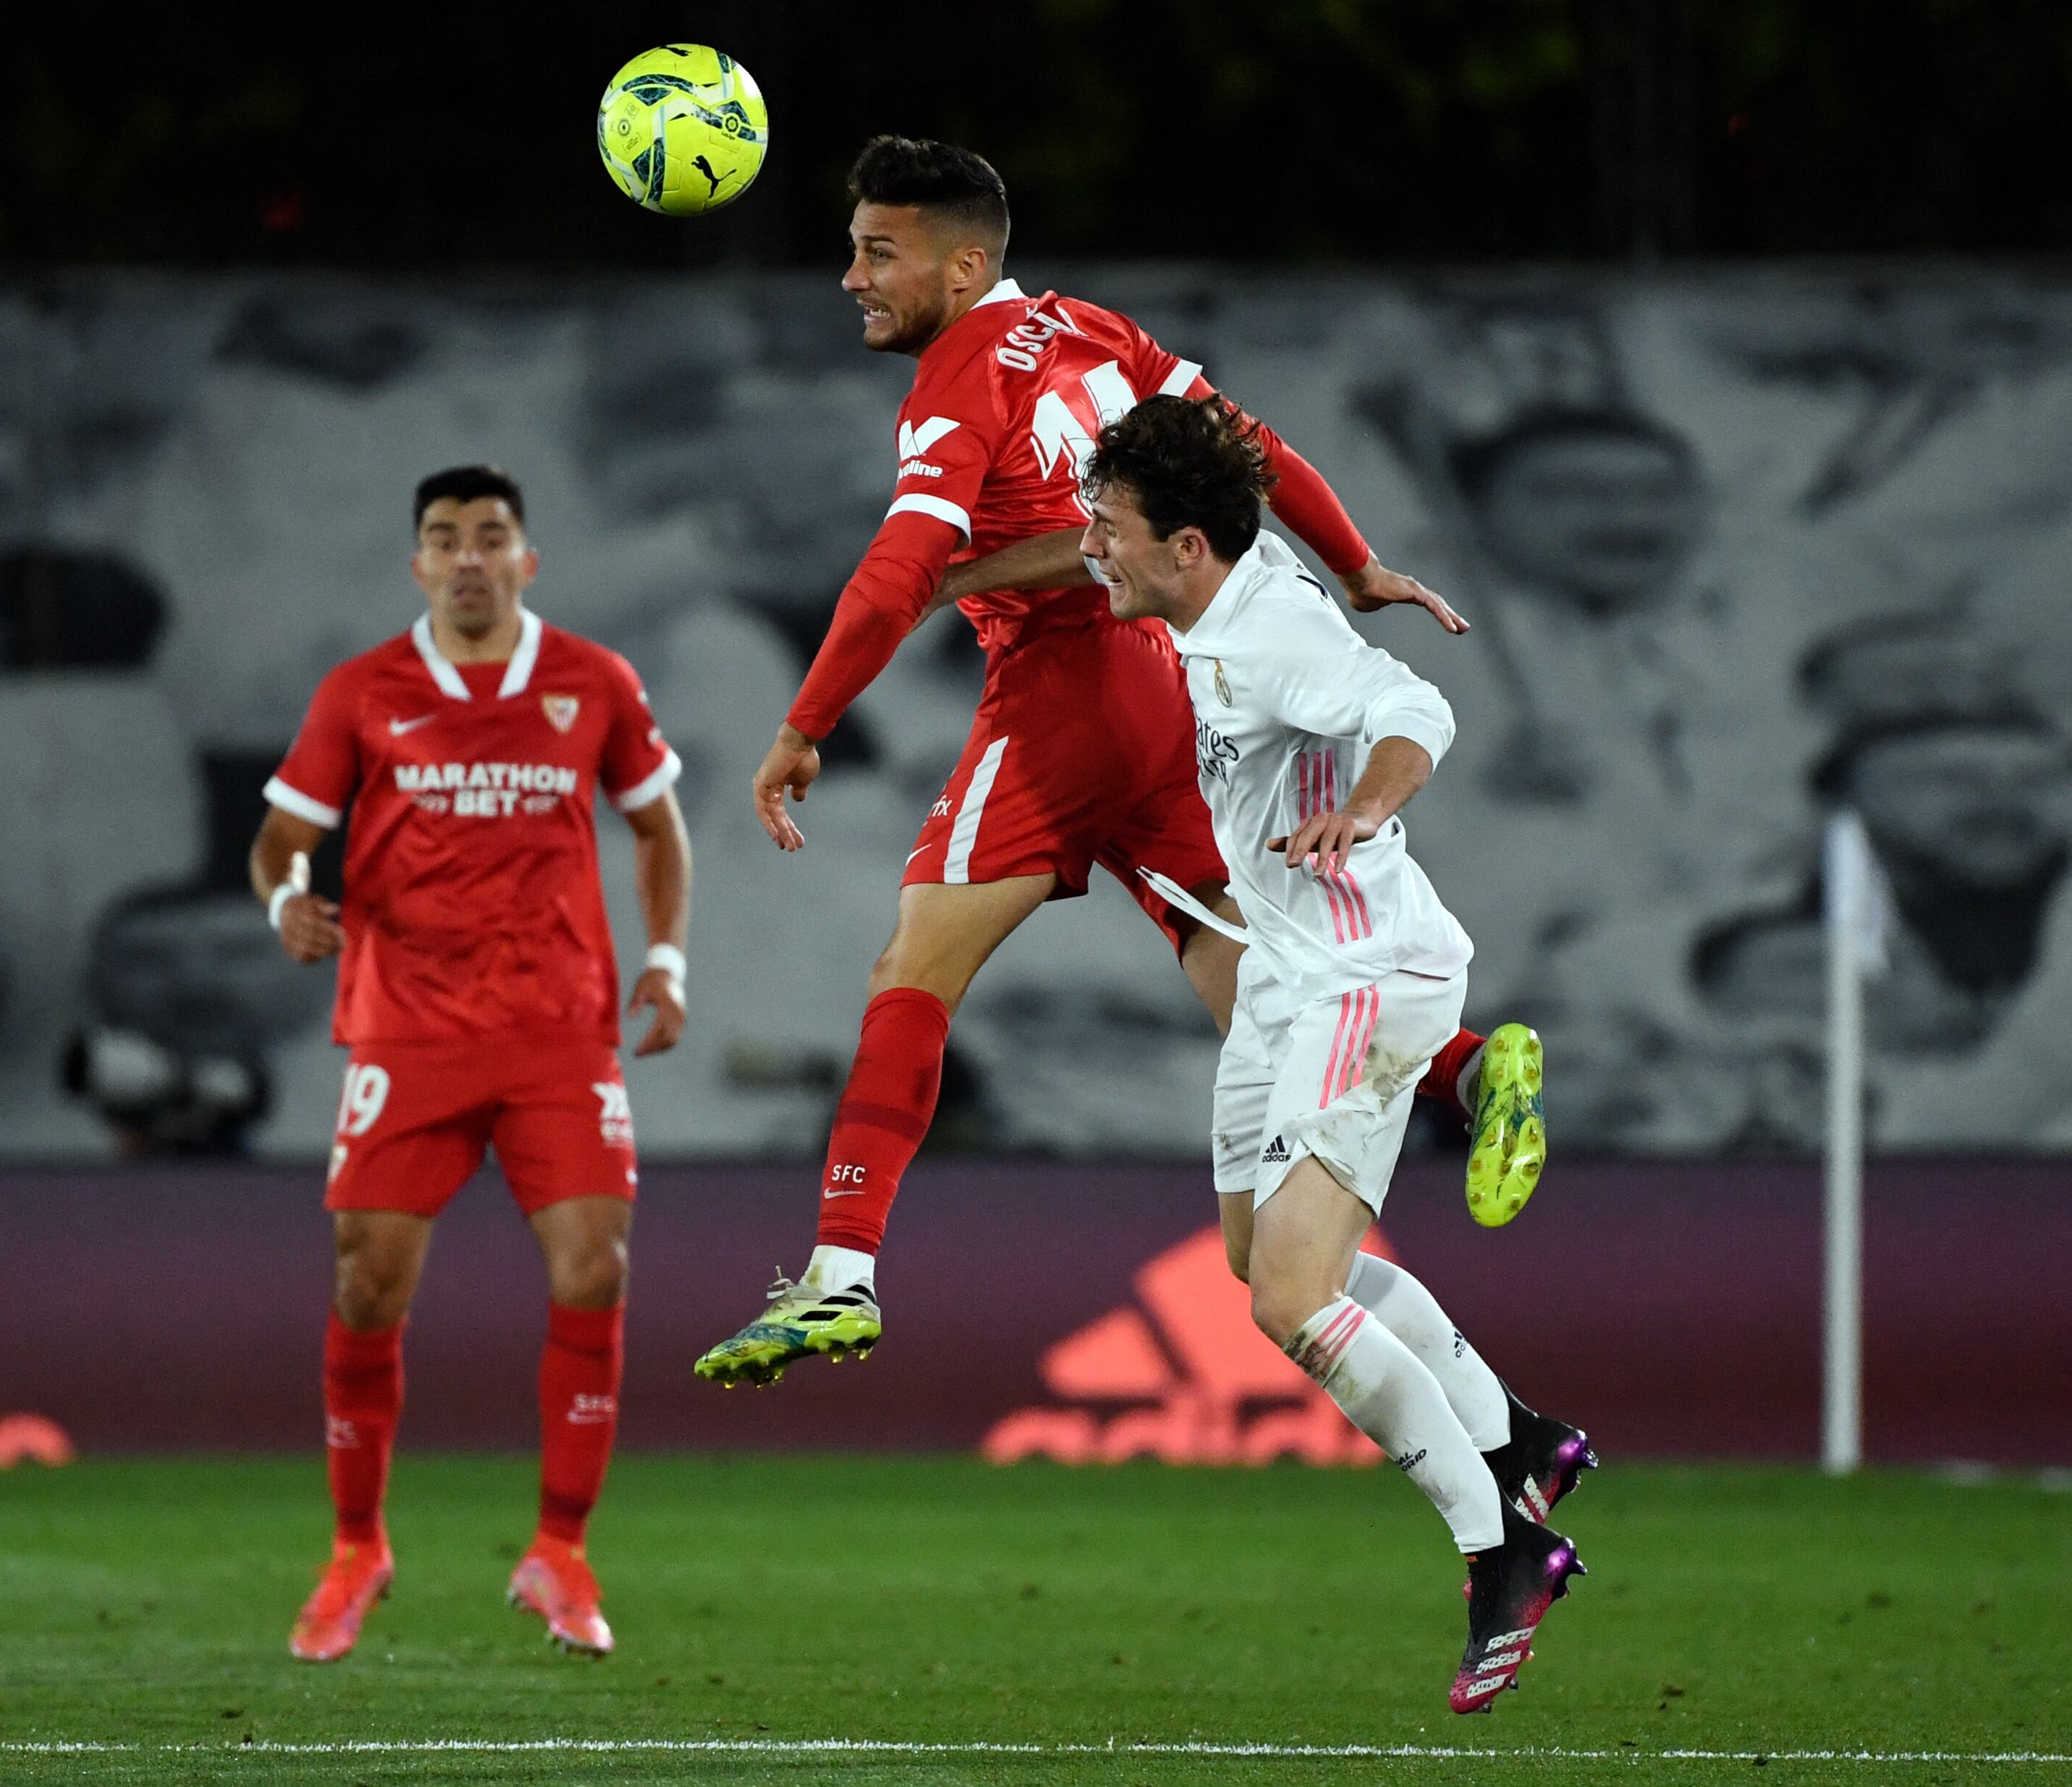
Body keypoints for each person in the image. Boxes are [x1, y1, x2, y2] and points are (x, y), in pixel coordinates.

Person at [696, 138, 1544, 1386]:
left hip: (1063, 695)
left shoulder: (953, 386)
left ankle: (839, 1276)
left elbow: (897, 571)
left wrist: (805, 724)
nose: (851, 278)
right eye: (852, 248)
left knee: (914, 965)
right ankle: (1466, 1072)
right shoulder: (1085, 325)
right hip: (1175, 682)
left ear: (962, 260)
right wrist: (1354, 559)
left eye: (878, 252)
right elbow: (1242, 442)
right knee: (1251, 978)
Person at [1077, 394, 1592, 1712]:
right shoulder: (1215, 605)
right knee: (1267, 1262)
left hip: (1365, 976)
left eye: (1112, 527)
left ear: (1187, 546)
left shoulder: (1269, 633)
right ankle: (1521, 1435)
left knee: (1291, 1300)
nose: (1094, 545)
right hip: (1284, 984)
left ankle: (1502, 1548)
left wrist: (1364, 806)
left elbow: (1410, 704)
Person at [248, 464, 693, 1662]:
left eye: (490, 537)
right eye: (443, 539)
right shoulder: (363, 692)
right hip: (408, 1025)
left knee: (594, 1266)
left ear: (525, 561)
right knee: (365, 1287)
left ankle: (559, 1552)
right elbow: (282, 837)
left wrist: (665, 960)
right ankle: (355, 1550)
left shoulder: (591, 680)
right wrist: (290, 896)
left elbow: (656, 823)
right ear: (418, 566)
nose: (467, 558)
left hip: (558, 1026)